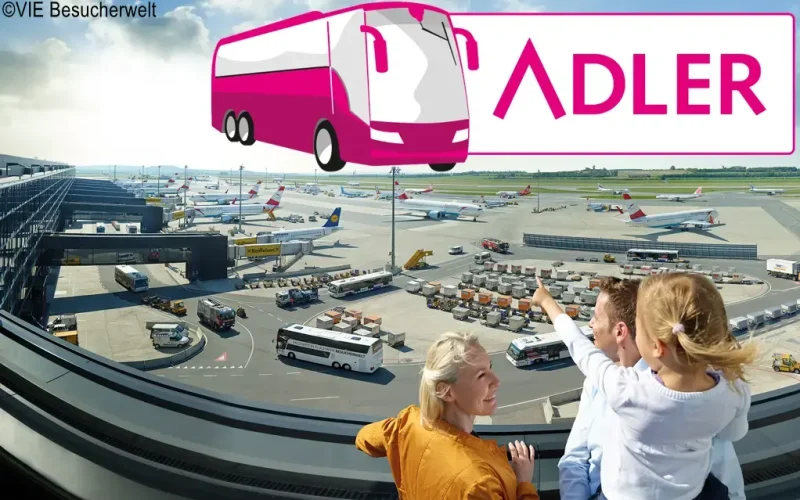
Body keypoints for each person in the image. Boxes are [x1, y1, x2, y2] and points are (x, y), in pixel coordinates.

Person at [533, 273, 757, 500]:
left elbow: (579, 347)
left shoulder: (627, 391)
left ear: (658, 346)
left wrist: (547, 303)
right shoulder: (732, 391)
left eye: (638, 325)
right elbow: (734, 433)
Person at [355, 332, 540, 499]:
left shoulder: (406, 423)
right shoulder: (479, 483)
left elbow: (363, 438)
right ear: (446, 392)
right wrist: (524, 484)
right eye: (481, 375)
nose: (497, 381)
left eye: (490, 368)